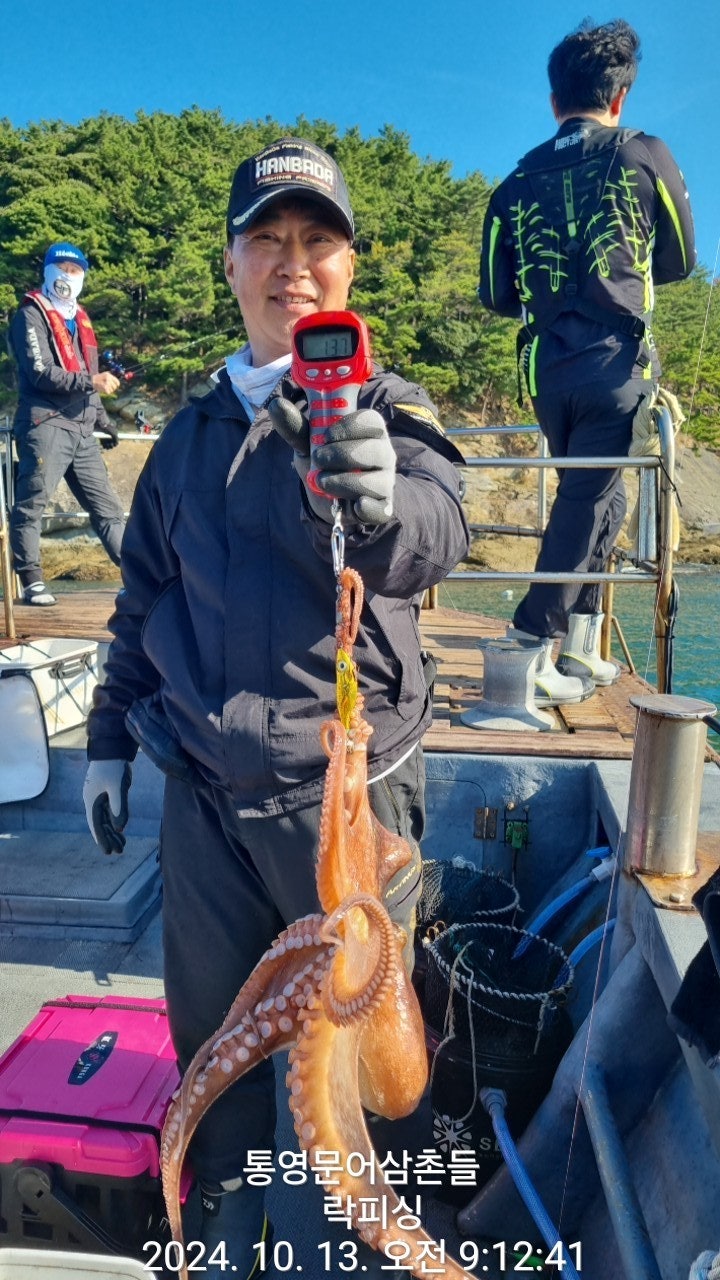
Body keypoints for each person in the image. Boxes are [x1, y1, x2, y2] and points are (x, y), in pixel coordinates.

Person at [82, 137, 469, 1277]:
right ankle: (221, 1224)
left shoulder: (388, 406)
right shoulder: (185, 438)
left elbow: (437, 527)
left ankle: (362, 1241)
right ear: (231, 262)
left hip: (344, 808)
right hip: (203, 803)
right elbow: (140, 599)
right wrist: (106, 744)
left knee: (370, 1068)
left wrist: (383, 499)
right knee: (216, 1043)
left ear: (348, 269)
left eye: (317, 241)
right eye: (267, 239)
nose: (292, 263)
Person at [478, 19, 696, 705]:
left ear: (554, 101)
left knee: (605, 495)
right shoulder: (644, 152)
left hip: (546, 372)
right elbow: (681, 259)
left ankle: (580, 640)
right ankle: (527, 643)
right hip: (616, 367)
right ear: (620, 97)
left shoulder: (514, 183)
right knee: (587, 498)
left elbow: (495, 293)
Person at [8, 241, 126, 605]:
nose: (68, 276)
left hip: (82, 431)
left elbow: (89, 374)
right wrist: (92, 382)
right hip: (45, 423)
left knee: (109, 510)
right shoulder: (30, 315)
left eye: (76, 271)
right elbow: (41, 372)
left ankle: (136, 576)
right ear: (47, 271)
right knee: (32, 504)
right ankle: (32, 580)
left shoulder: (81, 320)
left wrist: (104, 421)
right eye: (62, 268)